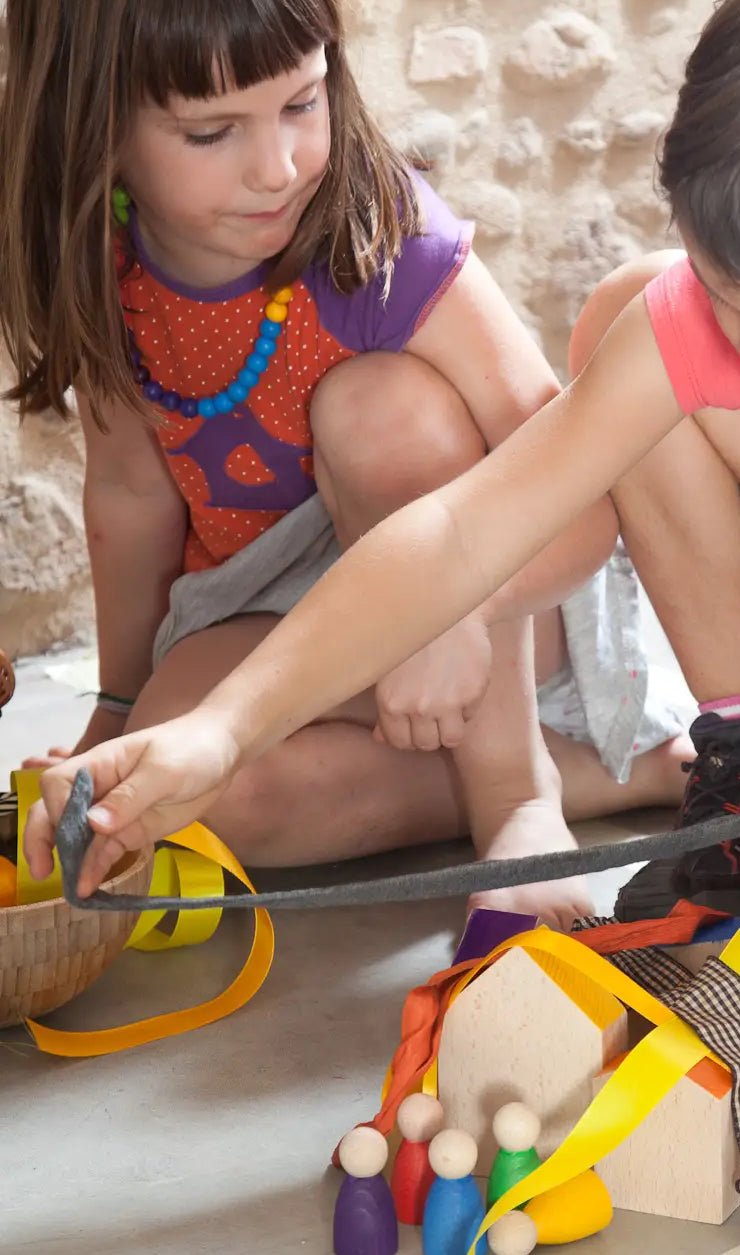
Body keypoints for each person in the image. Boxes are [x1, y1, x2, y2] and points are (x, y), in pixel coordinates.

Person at [25, 0, 740, 1059]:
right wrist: (221, 734)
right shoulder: (725, 320)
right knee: (639, 323)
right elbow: (459, 535)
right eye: (733, 302)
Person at [0, 0, 694, 930]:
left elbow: (576, 495)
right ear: (97, 129)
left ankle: (520, 800)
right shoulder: (106, 263)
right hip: (276, 610)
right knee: (182, 793)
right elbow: (130, 498)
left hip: (499, 594)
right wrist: (120, 714)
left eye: (302, 103)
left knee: (378, 408)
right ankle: (612, 777)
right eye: (212, 132)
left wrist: (448, 607)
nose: (277, 167)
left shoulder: (385, 237)